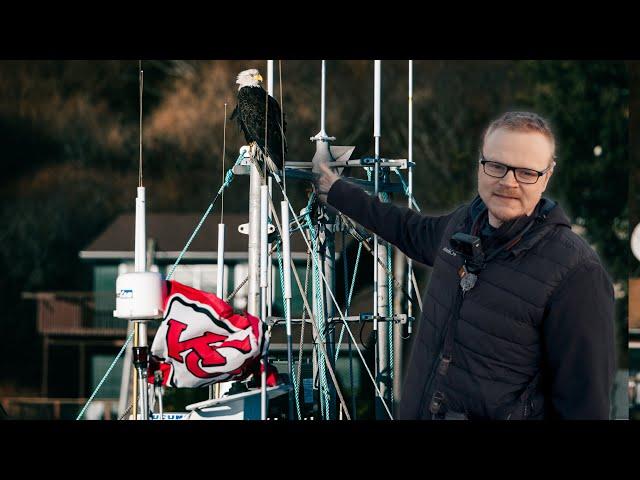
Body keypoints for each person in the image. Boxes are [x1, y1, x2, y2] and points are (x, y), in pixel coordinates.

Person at [315, 111, 615, 419]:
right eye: (496, 166)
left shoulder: (576, 273)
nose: (508, 182)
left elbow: (585, 406)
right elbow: (406, 228)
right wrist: (337, 191)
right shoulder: (463, 224)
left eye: (526, 172)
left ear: (547, 175)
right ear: (481, 165)